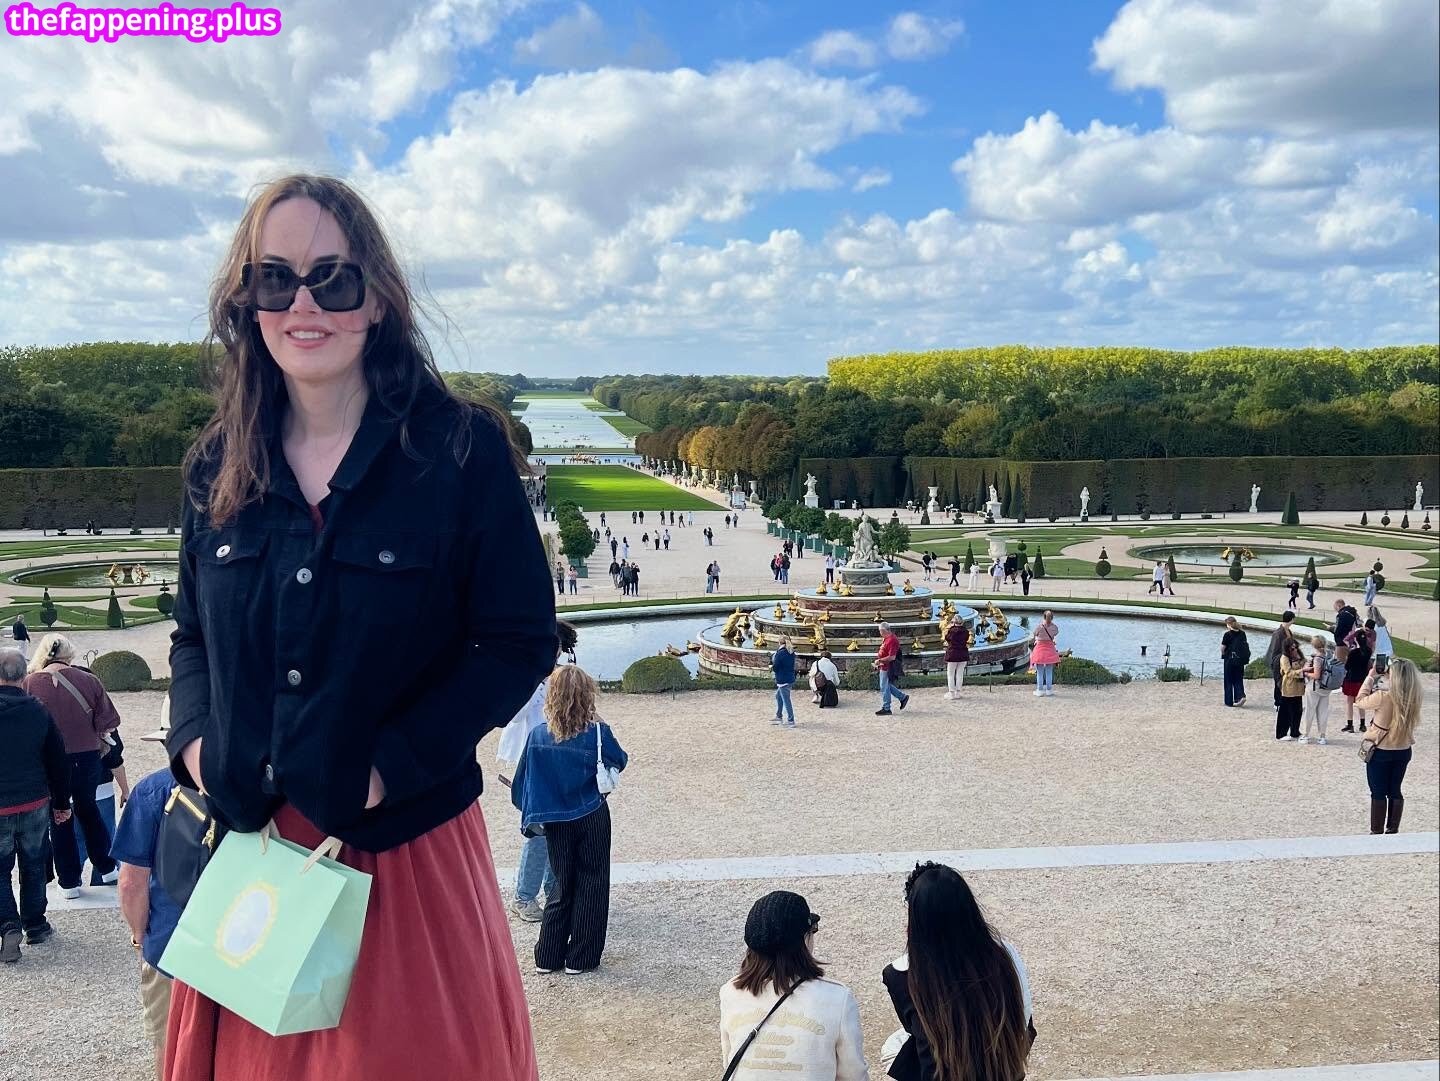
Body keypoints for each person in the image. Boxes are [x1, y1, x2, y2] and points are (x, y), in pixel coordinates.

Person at [162, 176, 556, 1080]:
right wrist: (196, 747)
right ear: (247, 302)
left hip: (401, 864)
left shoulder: (458, 448)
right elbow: (189, 637)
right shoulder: (217, 463)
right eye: (275, 278)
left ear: (376, 297)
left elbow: (517, 639)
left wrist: (387, 769)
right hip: (255, 864)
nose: (302, 304)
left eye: (331, 278)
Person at [511, 665, 627, 974]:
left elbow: (523, 782)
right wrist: (599, 722)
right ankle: (581, 957)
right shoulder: (598, 733)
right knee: (593, 882)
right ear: (587, 695)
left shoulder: (538, 736)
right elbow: (620, 760)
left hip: (555, 819)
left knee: (561, 883)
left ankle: (548, 956)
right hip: (591, 813)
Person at [882, 862, 1034, 1081]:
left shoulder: (899, 975)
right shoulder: (1004, 953)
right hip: (1005, 1071)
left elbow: (913, 1028)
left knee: (893, 1049)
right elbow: (1025, 1019)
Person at [719, 890, 868, 1081]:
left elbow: (730, 1065)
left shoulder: (730, 992)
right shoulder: (838, 998)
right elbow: (854, 1075)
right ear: (804, 939)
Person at [23, 634, 121, 897]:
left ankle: (69, 881)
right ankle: (107, 866)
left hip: (50, 759)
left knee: (59, 814)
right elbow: (109, 721)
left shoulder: (30, 682)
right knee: (88, 809)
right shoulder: (89, 679)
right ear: (69, 654)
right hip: (86, 755)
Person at [496, 621, 579, 922]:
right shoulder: (525, 674)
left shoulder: (561, 675)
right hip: (530, 763)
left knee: (556, 829)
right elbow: (512, 716)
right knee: (539, 831)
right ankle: (524, 897)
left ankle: (553, 892)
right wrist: (538, 680)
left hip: (557, 760)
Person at [110, 767, 183, 1079]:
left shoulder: (155, 789)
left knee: (168, 1042)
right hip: (241, 942)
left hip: (170, 941)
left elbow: (131, 882)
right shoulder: (258, 784)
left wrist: (139, 935)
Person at [0, 648, 71, 963]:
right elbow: (58, 761)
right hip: (34, 800)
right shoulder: (39, 711)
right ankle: (36, 924)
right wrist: (61, 802)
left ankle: (8, 925)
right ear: (24, 675)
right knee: (33, 863)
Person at [1355, 658, 1422, 834]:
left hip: (1381, 750)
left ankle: (1376, 831)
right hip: (1403, 749)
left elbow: (1359, 700)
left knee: (1378, 792)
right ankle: (1393, 829)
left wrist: (1371, 677)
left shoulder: (1383, 697)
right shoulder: (1413, 697)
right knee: (1395, 790)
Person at [1300, 635, 1333, 745]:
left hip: (1315, 687)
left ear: (1314, 645)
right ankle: (1322, 736)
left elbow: (1316, 675)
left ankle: (1305, 735)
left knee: (1309, 710)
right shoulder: (1329, 656)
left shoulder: (1317, 658)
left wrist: (1306, 673)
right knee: (1323, 712)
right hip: (1326, 688)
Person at [874, 623, 909, 716]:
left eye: (880, 631)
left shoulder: (892, 640)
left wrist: (880, 660)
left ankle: (887, 708)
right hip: (884, 665)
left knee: (884, 686)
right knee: (886, 685)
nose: (880, 633)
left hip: (887, 666)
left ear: (883, 631)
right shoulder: (887, 638)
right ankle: (902, 697)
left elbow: (892, 657)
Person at [1341, 635, 1373, 733]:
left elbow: (1347, 667)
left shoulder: (1353, 652)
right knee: (1361, 701)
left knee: (1349, 703)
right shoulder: (1368, 651)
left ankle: (1350, 724)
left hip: (1352, 679)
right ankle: (1362, 724)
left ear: (1356, 640)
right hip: (1362, 679)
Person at [1275, 637, 1305, 740]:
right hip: (1289, 687)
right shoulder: (1284, 658)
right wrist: (1302, 671)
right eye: (1292, 648)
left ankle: (1295, 731)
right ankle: (1281, 733)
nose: (1295, 650)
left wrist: (1300, 661)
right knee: (1285, 711)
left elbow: (1304, 664)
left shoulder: (1299, 656)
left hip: (1299, 687)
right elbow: (1288, 672)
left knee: (1298, 710)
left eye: (1296, 647)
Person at [1264, 611, 1295, 708]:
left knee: (1286, 681)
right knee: (1279, 682)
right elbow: (1274, 649)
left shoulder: (1288, 631)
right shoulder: (1278, 633)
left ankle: (1285, 701)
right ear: (1291, 619)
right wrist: (1274, 663)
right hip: (1279, 661)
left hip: (1287, 660)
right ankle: (1277, 702)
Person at [1219, 617, 1250, 707]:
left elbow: (1222, 648)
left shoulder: (1227, 634)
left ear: (1229, 625)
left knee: (1228, 680)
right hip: (1240, 660)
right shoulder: (1242, 633)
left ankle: (1229, 701)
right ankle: (1240, 696)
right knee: (1238, 678)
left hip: (1229, 659)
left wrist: (1224, 654)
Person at [1030, 612, 1060, 697]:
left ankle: (1040, 690)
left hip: (1039, 649)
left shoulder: (1039, 627)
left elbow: (1034, 634)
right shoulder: (1055, 627)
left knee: (1039, 672)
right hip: (1050, 649)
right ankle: (1049, 690)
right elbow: (1056, 633)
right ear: (1052, 618)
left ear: (1043, 617)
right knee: (1049, 671)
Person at [771, 636, 797, 729]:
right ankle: (779, 716)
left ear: (779, 642)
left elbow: (776, 667)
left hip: (782, 679)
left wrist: (771, 667)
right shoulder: (791, 652)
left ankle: (791, 720)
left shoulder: (780, 653)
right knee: (778, 696)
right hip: (789, 677)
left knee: (786, 700)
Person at [943, 619, 969, 700]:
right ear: (962, 622)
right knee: (960, 674)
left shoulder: (952, 631)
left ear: (954, 623)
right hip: (963, 653)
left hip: (953, 654)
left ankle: (951, 693)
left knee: (950, 674)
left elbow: (947, 638)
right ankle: (958, 692)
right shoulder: (966, 631)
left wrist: (950, 627)